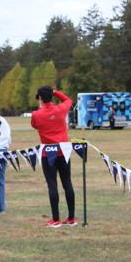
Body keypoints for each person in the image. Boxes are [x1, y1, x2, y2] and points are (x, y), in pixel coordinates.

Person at [30, 85, 76, 227]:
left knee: (52, 185)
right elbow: (69, 100)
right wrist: (55, 92)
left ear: (40, 98)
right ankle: (71, 218)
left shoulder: (36, 114)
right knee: (67, 183)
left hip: (48, 152)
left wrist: (42, 107)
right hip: (63, 151)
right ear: (51, 96)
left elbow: (35, 125)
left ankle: (56, 219)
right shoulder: (61, 109)